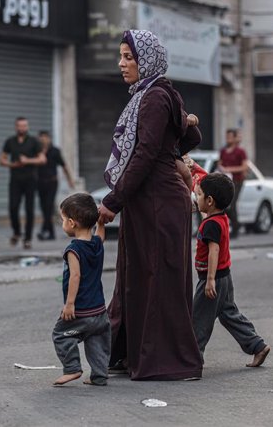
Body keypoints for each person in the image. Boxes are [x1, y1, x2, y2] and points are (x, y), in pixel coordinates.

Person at [97, 29, 203, 380]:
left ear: (147, 61)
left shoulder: (155, 97)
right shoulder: (159, 93)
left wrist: (113, 201)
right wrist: (185, 121)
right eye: (122, 56)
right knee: (136, 276)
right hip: (150, 201)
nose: (122, 63)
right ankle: (129, 353)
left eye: (129, 57)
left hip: (157, 201)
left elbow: (142, 156)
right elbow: (187, 139)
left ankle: (165, 360)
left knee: (157, 279)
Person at [192, 173, 271, 367]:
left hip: (213, 280)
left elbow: (214, 251)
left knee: (198, 320)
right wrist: (194, 176)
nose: (197, 199)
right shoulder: (220, 218)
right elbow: (205, 211)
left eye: (199, 196)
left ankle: (192, 359)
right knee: (229, 314)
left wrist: (209, 280)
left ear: (210, 201)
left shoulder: (210, 224)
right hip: (225, 277)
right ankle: (257, 345)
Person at [52, 193, 110, 386]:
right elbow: (100, 237)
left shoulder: (73, 249)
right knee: (97, 341)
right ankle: (99, 375)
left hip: (81, 310)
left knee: (60, 335)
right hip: (99, 310)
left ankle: (72, 368)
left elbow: (75, 276)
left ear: (71, 222)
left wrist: (69, 305)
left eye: (62, 220)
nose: (62, 224)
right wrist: (101, 225)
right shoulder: (95, 244)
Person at [0, 117, 46, 249]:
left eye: (24, 126)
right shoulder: (10, 141)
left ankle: (28, 238)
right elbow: (2, 160)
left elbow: (42, 159)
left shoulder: (34, 141)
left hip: (30, 180)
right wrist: (12, 164)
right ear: (16, 127)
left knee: (29, 209)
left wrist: (27, 161)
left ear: (27, 127)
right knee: (13, 207)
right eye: (20, 126)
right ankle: (16, 232)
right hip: (15, 180)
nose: (22, 128)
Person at [37, 130, 75, 241]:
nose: (43, 139)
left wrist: (70, 180)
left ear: (49, 138)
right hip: (39, 182)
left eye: (45, 137)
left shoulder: (55, 151)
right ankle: (49, 233)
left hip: (52, 182)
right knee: (44, 208)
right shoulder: (36, 151)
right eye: (41, 137)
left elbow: (64, 166)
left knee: (48, 206)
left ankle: (45, 231)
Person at [218, 128, 248, 238]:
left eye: (230, 137)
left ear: (235, 138)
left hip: (237, 181)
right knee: (224, 205)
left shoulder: (241, 152)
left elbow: (244, 167)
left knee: (232, 204)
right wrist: (221, 169)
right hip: (226, 181)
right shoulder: (223, 151)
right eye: (227, 137)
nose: (228, 139)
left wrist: (229, 169)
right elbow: (220, 164)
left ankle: (235, 228)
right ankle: (236, 224)